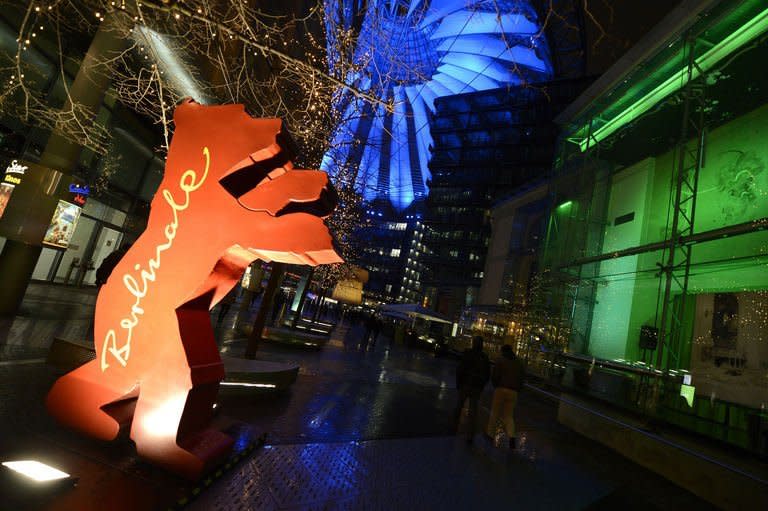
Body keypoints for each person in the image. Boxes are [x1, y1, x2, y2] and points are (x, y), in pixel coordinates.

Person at [486, 344, 525, 449]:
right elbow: (522, 378)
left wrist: (496, 385)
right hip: (513, 392)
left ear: (503, 351)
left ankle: (490, 434)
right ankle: (512, 436)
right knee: (509, 415)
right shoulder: (519, 362)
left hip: (501, 389)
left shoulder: (500, 360)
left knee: (495, 412)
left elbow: (495, 375)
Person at [455, 336, 490, 443]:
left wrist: (459, 383)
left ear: (473, 343)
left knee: (458, 407)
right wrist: (481, 386)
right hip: (477, 387)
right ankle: (470, 435)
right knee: (473, 411)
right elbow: (487, 374)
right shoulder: (484, 357)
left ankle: (453, 428)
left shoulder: (467, 353)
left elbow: (460, 369)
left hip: (465, 384)